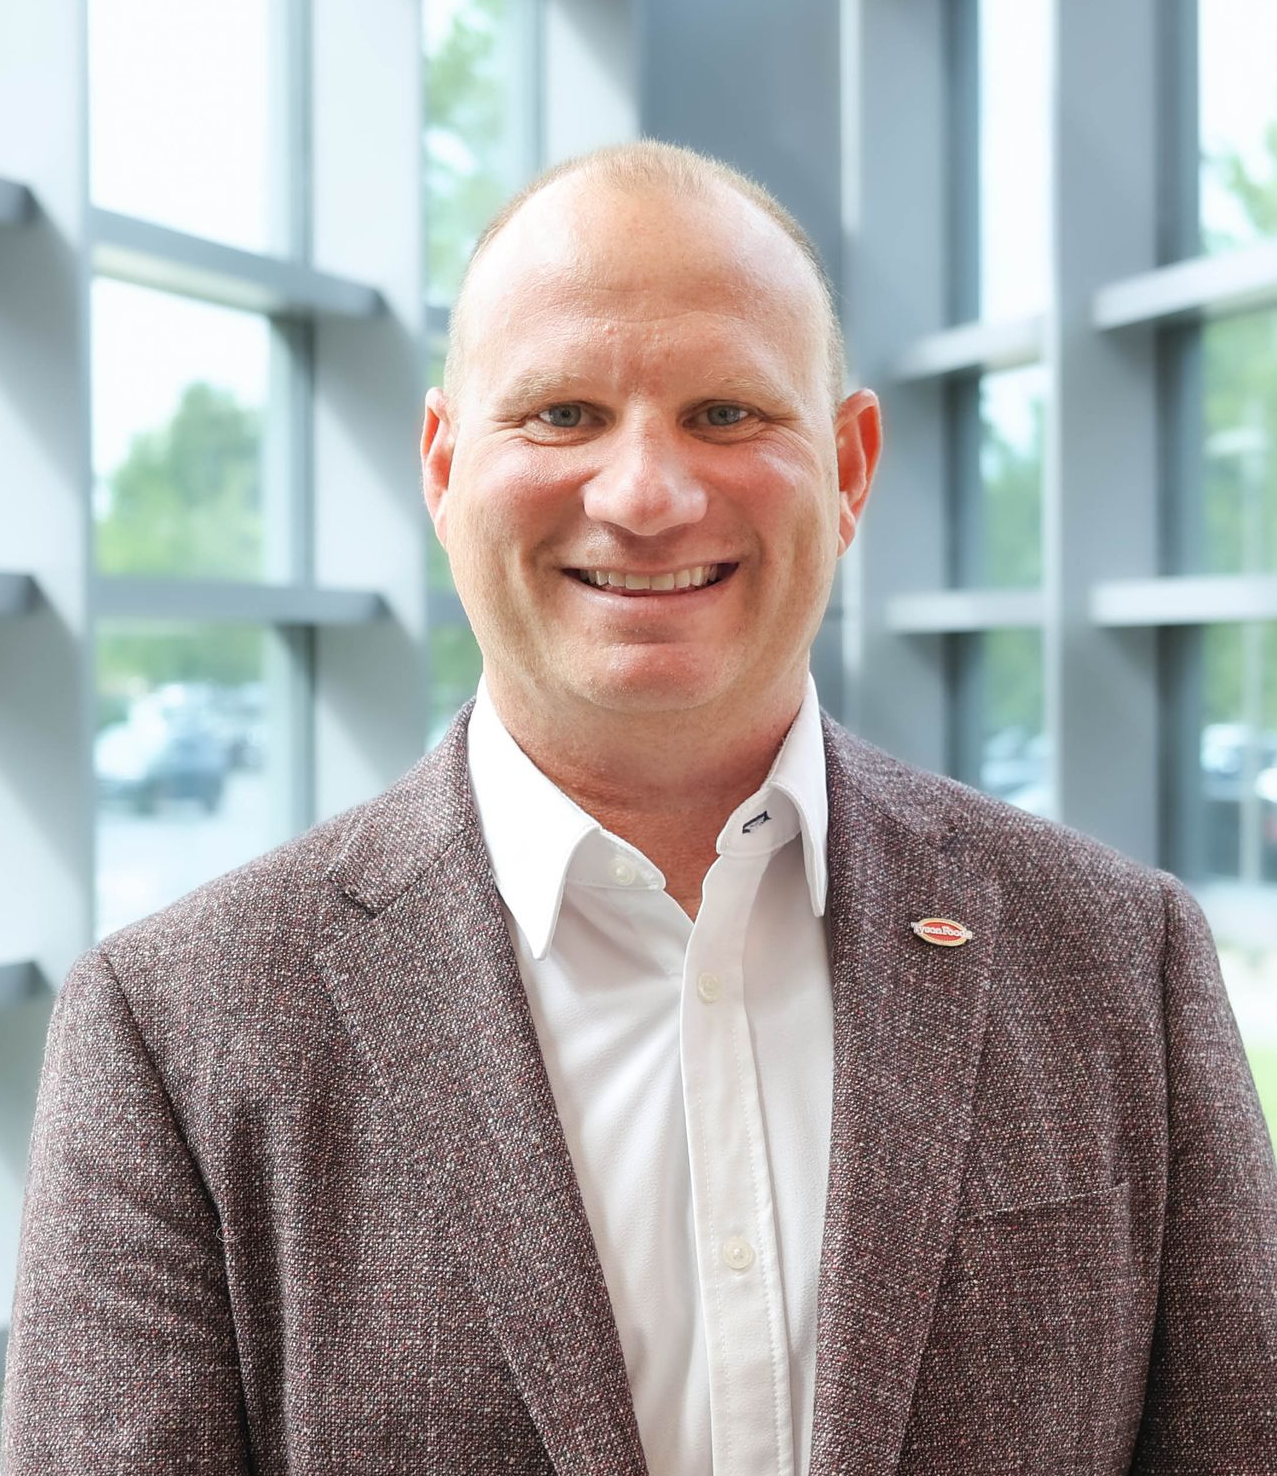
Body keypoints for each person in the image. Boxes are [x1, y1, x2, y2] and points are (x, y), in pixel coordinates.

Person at [3, 140, 1275, 1475]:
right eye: (561, 415)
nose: (648, 494)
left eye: (727, 414)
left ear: (849, 467)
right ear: (442, 468)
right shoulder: (177, 1030)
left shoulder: (1118, 964)